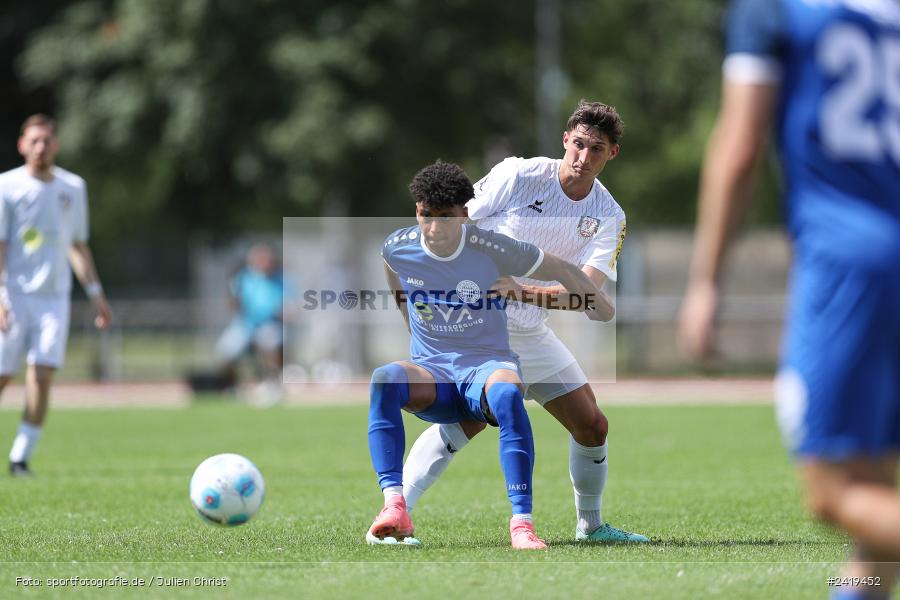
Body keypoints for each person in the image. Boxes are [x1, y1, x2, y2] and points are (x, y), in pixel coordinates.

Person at [679, 0, 900, 596]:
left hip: (852, 265)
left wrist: (705, 282)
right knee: (874, 505)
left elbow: (740, 144)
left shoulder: (777, 9)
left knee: (833, 493)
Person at [400, 101, 648, 543]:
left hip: (531, 329)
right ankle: (394, 515)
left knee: (592, 425)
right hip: (480, 323)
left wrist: (521, 290)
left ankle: (590, 528)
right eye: (578, 144)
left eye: (596, 148)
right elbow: (452, 223)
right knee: (469, 421)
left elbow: (588, 295)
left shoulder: (610, 216)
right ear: (565, 139)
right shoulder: (518, 174)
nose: (583, 156)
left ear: (612, 153)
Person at [368, 160, 614, 549]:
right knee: (386, 379)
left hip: (491, 359)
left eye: (446, 218)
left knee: (530, 403)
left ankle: (526, 525)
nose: (435, 229)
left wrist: (593, 300)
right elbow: (392, 270)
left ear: (464, 215)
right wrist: (410, 322)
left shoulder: (494, 249)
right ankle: (393, 509)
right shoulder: (398, 246)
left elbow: (561, 268)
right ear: (416, 211)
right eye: (426, 216)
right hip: (437, 371)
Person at [0, 114, 111, 476]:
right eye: (34, 140)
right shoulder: (6, 186)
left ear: (56, 145)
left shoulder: (72, 187)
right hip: (13, 295)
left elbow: (77, 245)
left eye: (46, 140)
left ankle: (20, 458)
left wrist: (96, 294)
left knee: (43, 374)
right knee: (3, 374)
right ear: (22, 145)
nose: (40, 147)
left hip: (54, 299)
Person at [214, 243, 285, 400]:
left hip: (269, 323)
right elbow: (233, 302)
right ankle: (232, 387)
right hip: (245, 324)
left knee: (271, 342)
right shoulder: (242, 278)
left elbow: (288, 304)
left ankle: (272, 384)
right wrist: (238, 303)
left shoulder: (279, 280)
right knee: (226, 350)